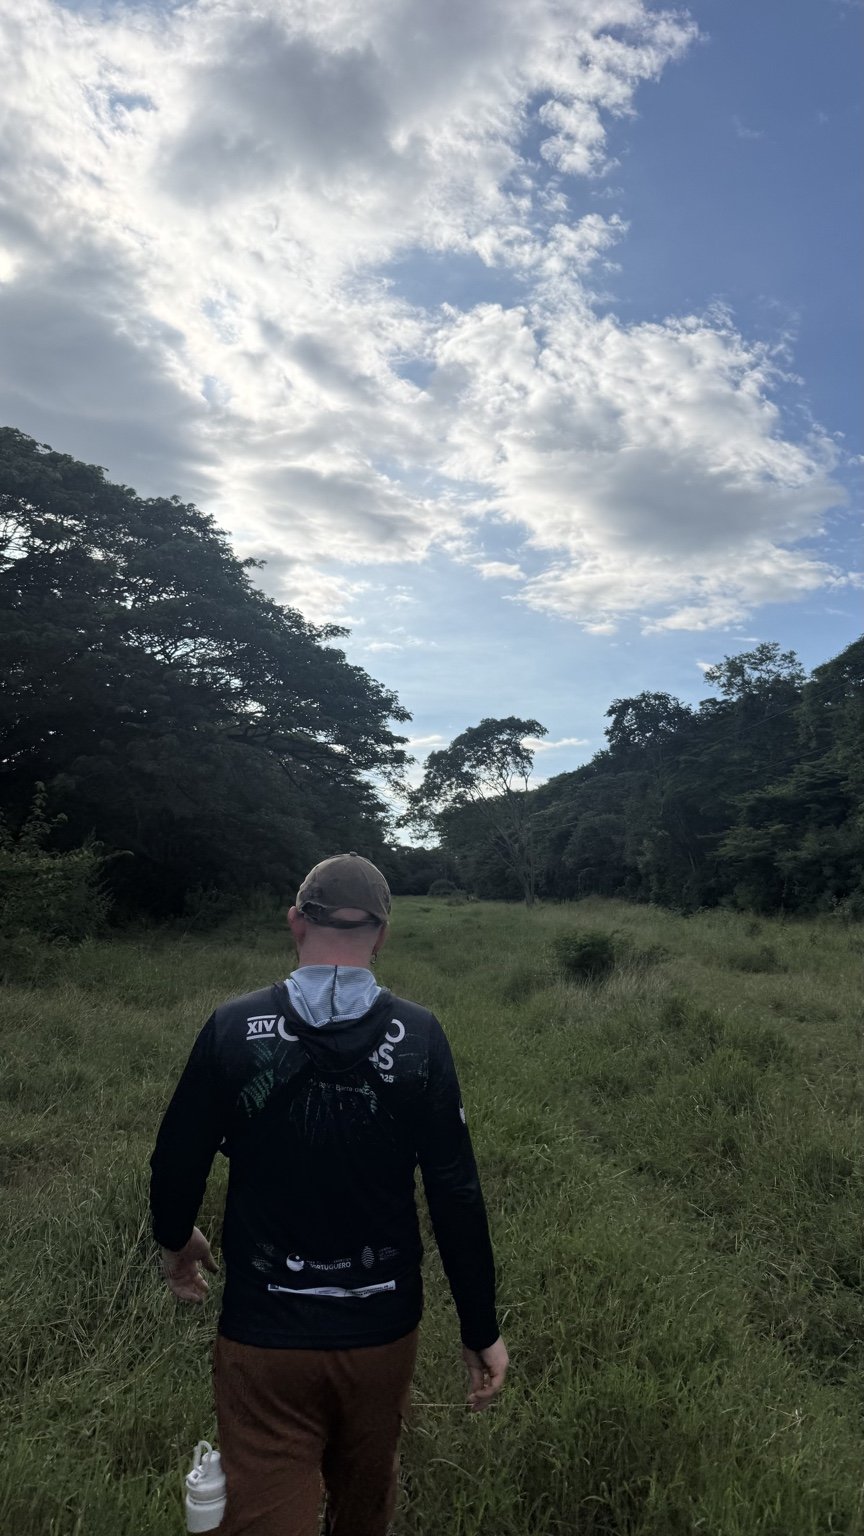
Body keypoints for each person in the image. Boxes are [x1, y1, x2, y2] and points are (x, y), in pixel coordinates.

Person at [149, 851, 508, 1536]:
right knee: (363, 1506)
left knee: (258, 1514)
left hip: (263, 1333)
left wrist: (177, 1240)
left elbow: (175, 1162)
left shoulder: (233, 1027)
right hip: (382, 1331)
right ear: (382, 934)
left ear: (294, 922)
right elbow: (455, 1192)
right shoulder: (421, 1038)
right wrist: (480, 1330)